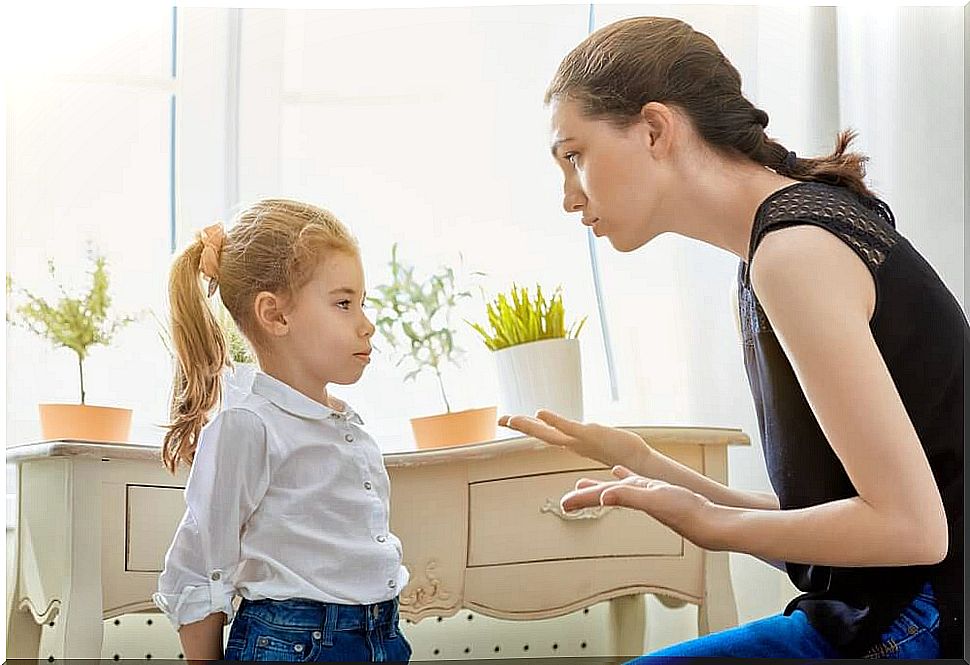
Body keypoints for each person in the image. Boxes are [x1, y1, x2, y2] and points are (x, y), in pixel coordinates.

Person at [500, 15, 964, 659]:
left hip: (925, 616)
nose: (569, 197)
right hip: (904, 604)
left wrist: (716, 526)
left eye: (575, 155)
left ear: (655, 129)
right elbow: (851, 519)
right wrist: (650, 465)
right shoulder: (776, 247)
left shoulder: (794, 253)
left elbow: (913, 532)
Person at [152, 199, 412, 662]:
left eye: (363, 304)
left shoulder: (347, 427)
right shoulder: (248, 425)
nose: (367, 325)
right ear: (275, 315)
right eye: (344, 303)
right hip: (294, 645)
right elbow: (197, 567)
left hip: (379, 637)